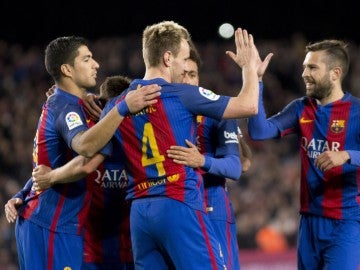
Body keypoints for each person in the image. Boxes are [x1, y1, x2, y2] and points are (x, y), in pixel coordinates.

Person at [33, 21, 270, 269]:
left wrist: (51, 177)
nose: (185, 65)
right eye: (184, 57)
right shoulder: (181, 94)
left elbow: (87, 158)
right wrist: (249, 68)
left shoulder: (119, 104)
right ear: (168, 58)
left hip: (140, 214)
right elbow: (249, 105)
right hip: (178, 203)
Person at [6, 35, 160, 270]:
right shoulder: (66, 107)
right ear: (67, 69)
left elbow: (51, 161)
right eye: (87, 59)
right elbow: (85, 148)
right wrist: (122, 109)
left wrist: (25, 191)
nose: (96, 64)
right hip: (50, 224)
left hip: (61, 226)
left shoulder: (71, 105)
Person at [247, 39, 360, 269]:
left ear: (335, 73)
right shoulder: (301, 108)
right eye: (304, 67)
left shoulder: (357, 112)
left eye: (312, 68)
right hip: (308, 220)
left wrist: (348, 155)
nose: (304, 73)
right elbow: (259, 131)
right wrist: (255, 80)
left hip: (346, 221)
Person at [166, 45, 256, 269]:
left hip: (211, 206)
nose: (187, 81)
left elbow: (238, 166)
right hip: (173, 209)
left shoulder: (215, 111)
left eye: (193, 75)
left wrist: (201, 160)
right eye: (183, 74)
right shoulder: (158, 111)